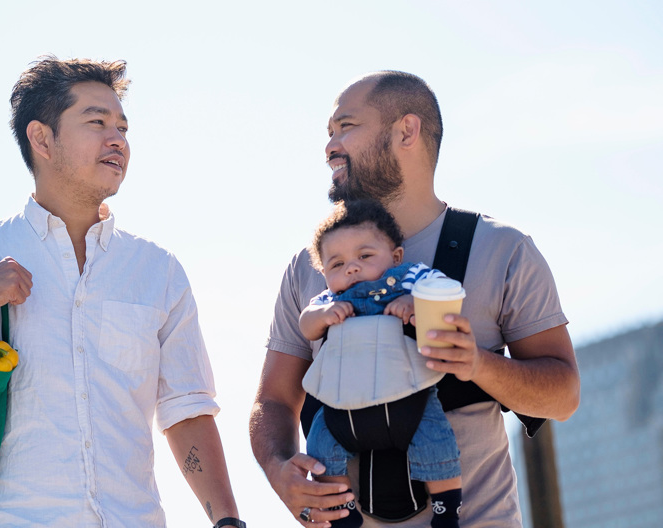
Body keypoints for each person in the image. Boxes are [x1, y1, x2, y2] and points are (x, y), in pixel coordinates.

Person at [0, 56, 245, 528]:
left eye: (123, 128)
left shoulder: (159, 272)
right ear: (42, 138)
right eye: (97, 122)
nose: (117, 140)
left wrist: (227, 520)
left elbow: (187, 410)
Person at [249, 70, 580, 528]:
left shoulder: (503, 249)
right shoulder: (308, 267)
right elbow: (274, 401)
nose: (330, 147)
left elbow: (563, 395)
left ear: (406, 130)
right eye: (329, 133)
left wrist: (477, 364)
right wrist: (278, 469)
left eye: (346, 126)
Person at [300, 199, 462, 528]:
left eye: (365, 256)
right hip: (341, 408)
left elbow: (445, 290)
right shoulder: (331, 299)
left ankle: (446, 509)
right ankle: (340, 511)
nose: (352, 268)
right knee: (320, 447)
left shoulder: (407, 278)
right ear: (324, 274)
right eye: (337, 264)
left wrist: (415, 302)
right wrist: (322, 316)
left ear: (396, 257)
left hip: (409, 398)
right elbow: (305, 324)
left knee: (436, 438)